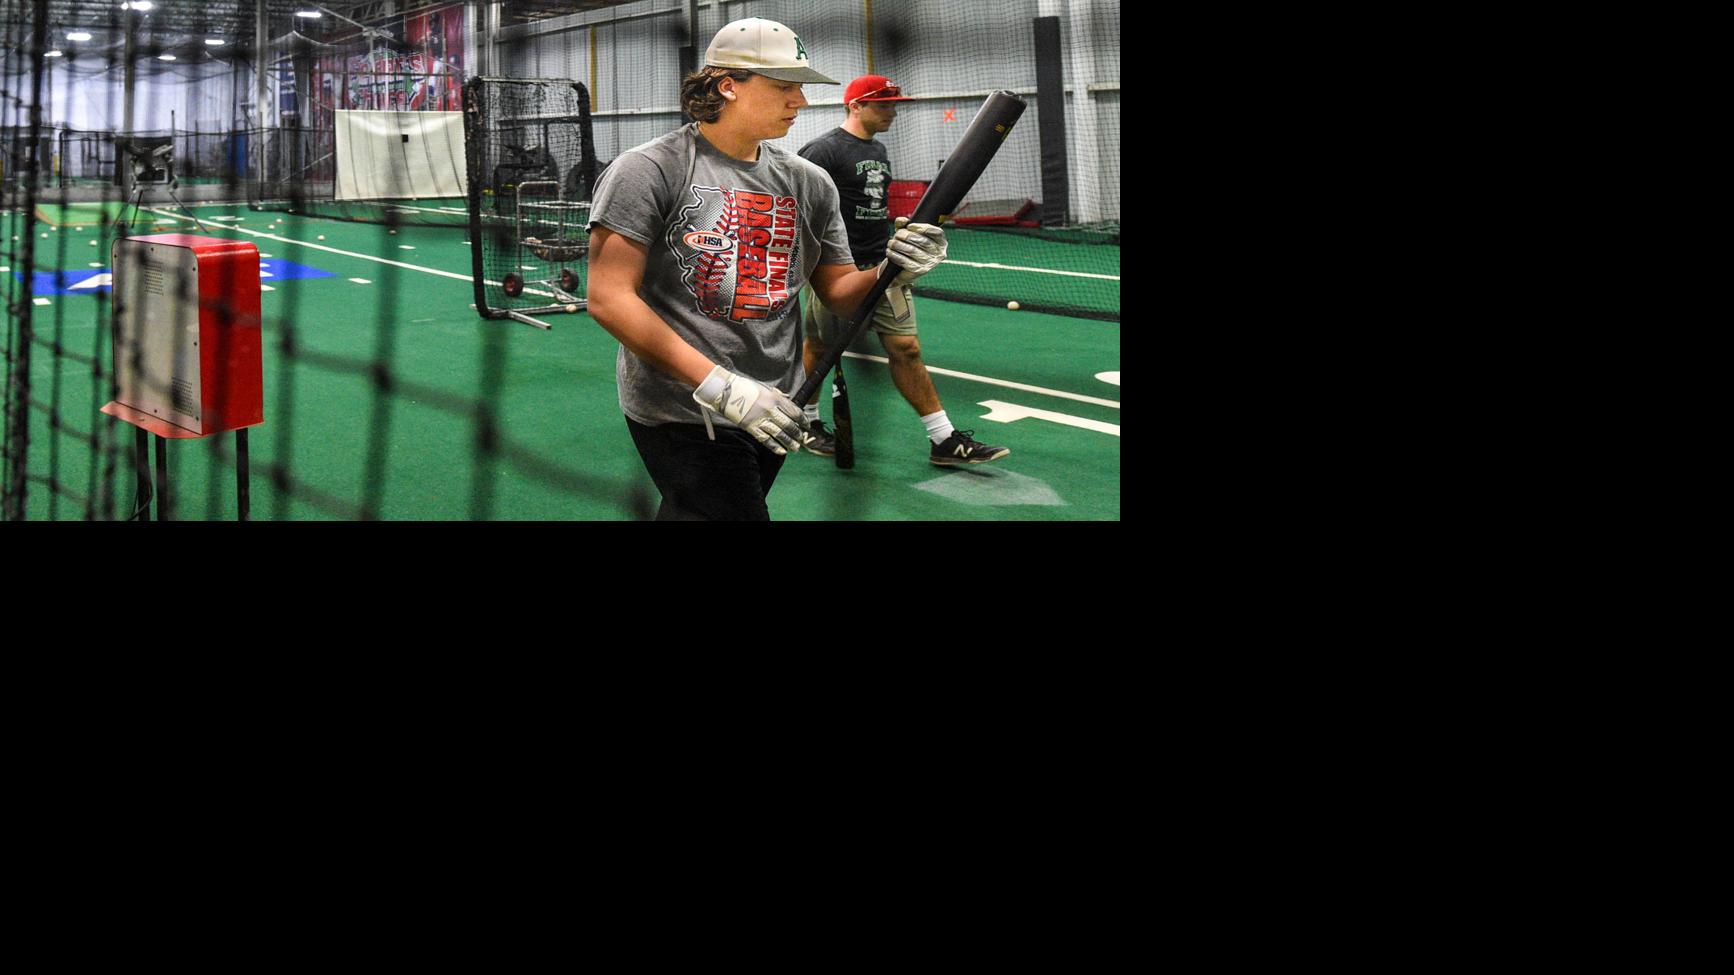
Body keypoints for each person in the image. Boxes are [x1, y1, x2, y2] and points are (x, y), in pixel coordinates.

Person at [585, 19, 951, 520]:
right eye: (784, 86)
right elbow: (609, 297)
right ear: (727, 85)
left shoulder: (808, 182)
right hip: (684, 407)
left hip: (778, 405)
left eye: (799, 87)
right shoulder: (650, 169)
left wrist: (895, 268)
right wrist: (721, 385)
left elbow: (841, 291)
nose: (799, 101)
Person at [797, 74, 1009, 467]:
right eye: (883, 104)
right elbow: (800, 207)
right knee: (820, 347)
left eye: (893, 104)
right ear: (855, 105)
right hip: (837, 269)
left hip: (884, 266)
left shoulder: (877, 149)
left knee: (906, 347)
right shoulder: (823, 150)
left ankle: (942, 439)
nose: (891, 112)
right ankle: (807, 421)